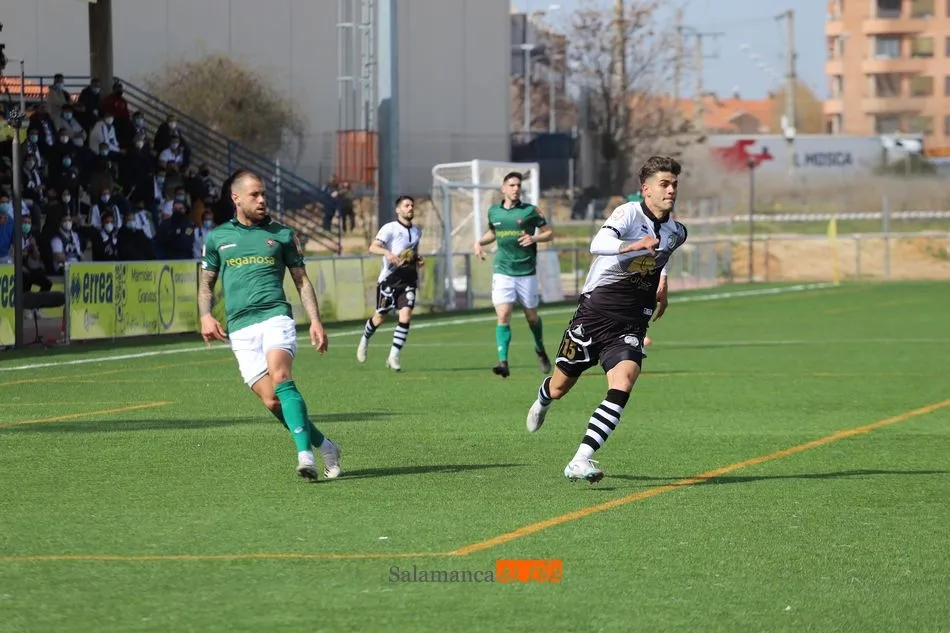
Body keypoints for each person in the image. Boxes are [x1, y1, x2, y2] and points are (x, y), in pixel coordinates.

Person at [524, 156, 688, 483]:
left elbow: (661, 254)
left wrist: (663, 281)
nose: (671, 190)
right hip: (595, 314)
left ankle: (581, 458)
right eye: (664, 184)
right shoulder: (628, 213)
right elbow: (597, 244)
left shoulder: (677, 231)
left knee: (624, 380)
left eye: (674, 185)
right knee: (560, 387)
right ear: (646, 190)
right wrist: (633, 244)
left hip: (631, 323)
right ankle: (543, 398)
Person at [198, 169, 342, 482]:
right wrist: (205, 315)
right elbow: (206, 284)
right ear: (236, 198)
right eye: (255, 195)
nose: (262, 200)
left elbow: (301, 281)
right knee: (272, 400)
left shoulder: (283, 234)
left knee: (281, 376)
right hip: (240, 327)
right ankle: (325, 445)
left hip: (276, 316)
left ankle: (304, 455)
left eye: (264, 194)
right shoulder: (217, 238)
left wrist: (315, 320)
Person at [473, 171, 554, 378]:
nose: (515, 188)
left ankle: (540, 349)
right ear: (503, 188)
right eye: (511, 185)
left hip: (526, 271)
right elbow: (493, 233)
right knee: (503, 315)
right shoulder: (494, 212)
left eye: (518, 185)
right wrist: (479, 242)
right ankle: (503, 362)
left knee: (531, 317)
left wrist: (534, 239)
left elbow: (549, 233)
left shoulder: (530, 211)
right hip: (503, 271)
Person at [357, 195, 423, 371]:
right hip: (389, 281)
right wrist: (387, 253)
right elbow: (373, 247)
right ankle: (365, 339)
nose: (410, 208)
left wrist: (418, 260)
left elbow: (412, 254)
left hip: (408, 280)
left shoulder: (417, 231)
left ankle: (393, 356)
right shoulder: (390, 228)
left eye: (412, 205)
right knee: (380, 317)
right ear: (398, 210)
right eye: (406, 205)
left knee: (405, 316)